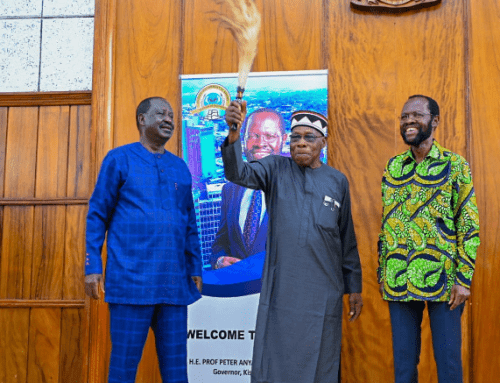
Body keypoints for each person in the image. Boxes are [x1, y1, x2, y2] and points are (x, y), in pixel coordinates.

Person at [222, 101, 363, 383]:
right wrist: (234, 135)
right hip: (282, 291)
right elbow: (239, 173)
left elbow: (346, 238)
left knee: (320, 363)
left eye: (309, 138)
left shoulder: (337, 181)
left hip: (325, 293)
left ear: (322, 142)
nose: (301, 143)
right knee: (276, 362)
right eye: (295, 137)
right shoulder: (275, 168)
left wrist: (354, 288)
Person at [84, 97, 203, 383]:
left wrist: (195, 267)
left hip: (173, 285)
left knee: (177, 374)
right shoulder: (119, 159)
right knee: (123, 371)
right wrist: (92, 266)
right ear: (142, 120)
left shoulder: (179, 167)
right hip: (130, 284)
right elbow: (97, 214)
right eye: (161, 113)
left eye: (172, 116)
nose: (169, 120)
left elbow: (189, 222)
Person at [378, 95, 480, 383]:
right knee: (404, 367)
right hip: (398, 280)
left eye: (416, 115)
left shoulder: (455, 165)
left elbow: (469, 224)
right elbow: (386, 223)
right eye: (404, 116)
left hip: (445, 282)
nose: (409, 121)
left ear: (434, 121)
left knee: (448, 365)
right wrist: (383, 272)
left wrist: (463, 279)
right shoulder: (393, 167)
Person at [210, 108, 286, 269]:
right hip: (238, 290)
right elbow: (221, 242)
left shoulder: (301, 188)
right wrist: (218, 261)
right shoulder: (230, 190)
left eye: (270, 136)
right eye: (253, 136)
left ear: (284, 140)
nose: (260, 143)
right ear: (243, 140)